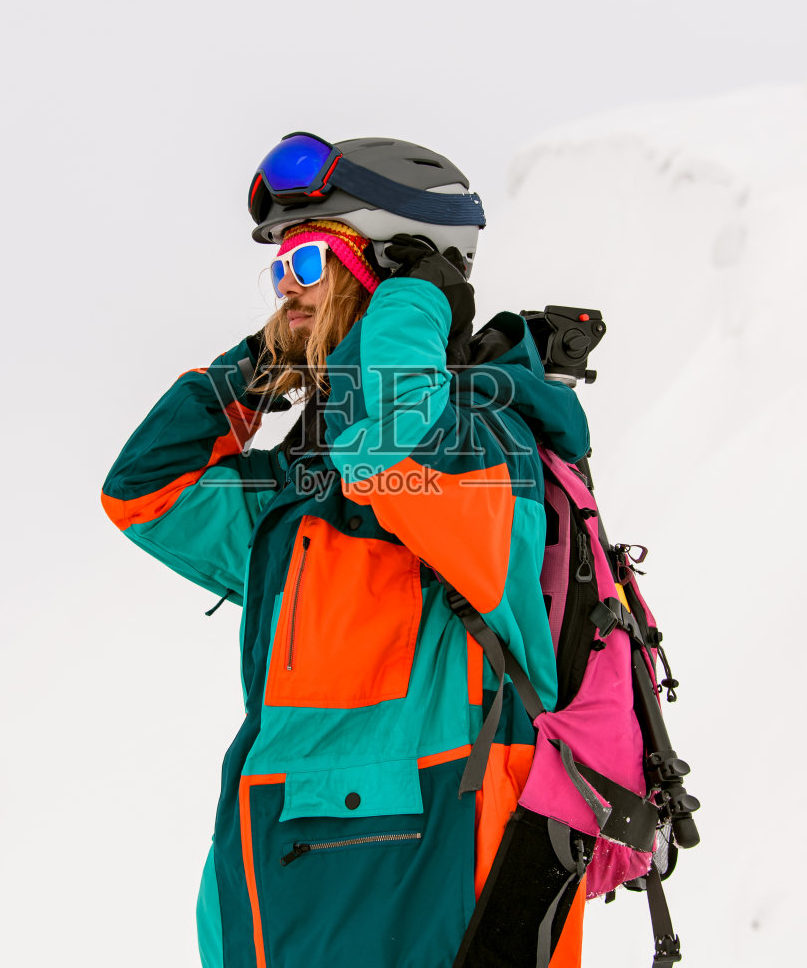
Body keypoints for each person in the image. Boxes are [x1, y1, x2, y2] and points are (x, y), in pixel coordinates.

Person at [103, 134, 594, 968]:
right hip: (277, 888)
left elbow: (391, 458)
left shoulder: (483, 452)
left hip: (431, 877)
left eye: (309, 260)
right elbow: (146, 487)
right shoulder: (300, 496)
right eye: (280, 268)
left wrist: (413, 304)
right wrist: (267, 363)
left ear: (398, 274)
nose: (287, 289)